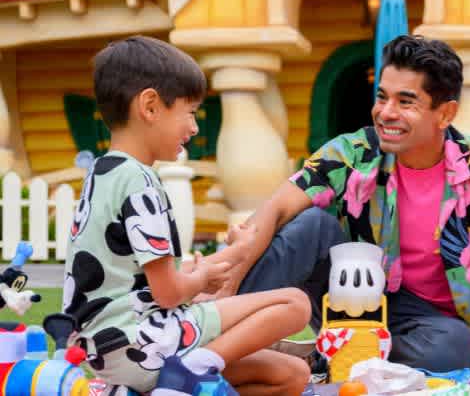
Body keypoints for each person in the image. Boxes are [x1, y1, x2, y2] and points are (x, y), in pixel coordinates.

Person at [216, 35, 470, 372]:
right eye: (382, 97)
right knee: (311, 225)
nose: (386, 112)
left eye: (406, 102)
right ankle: (219, 339)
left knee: (457, 346)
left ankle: (331, 355)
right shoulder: (351, 154)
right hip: (350, 295)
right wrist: (226, 285)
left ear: (445, 113)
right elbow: (276, 210)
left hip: (428, 324)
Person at [63, 36, 311, 395]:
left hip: (107, 352)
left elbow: (148, 284)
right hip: (142, 342)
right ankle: (194, 369)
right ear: (149, 106)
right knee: (295, 304)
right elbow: (169, 295)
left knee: (291, 375)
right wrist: (197, 282)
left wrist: (229, 258)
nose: (194, 128)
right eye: (190, 112)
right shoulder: (140, 181)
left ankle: (157, 389)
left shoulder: (103, 173)